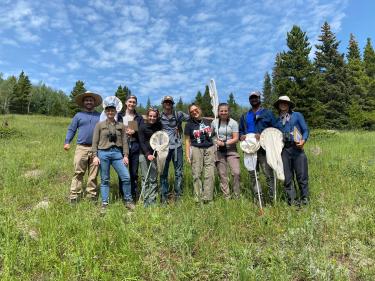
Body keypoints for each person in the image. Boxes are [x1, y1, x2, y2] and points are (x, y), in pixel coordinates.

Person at [92, 102, 134, 211]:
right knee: (105, 179)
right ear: (105, 112)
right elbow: (95, 141)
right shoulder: (99, 125)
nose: (110, 112)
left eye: (112, 110)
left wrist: (125, 155)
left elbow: (125, 141)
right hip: (103, 153)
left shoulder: (121, 126)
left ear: (116, 112)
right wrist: (95, 156)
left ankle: (128, 200)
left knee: (126, 177)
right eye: (108, 110)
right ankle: (104, 203)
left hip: (117, 153)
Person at [64, 91, 102, 203]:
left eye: (91, 100)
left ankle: (92, 195)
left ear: (94, 102)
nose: (89, 102)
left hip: (96, 149)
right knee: (78, 172)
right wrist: (67, 141)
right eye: (87, 100)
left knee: (93, 174)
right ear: (84, 102)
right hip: (81, 148)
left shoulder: (100, 116)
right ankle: (74, 196)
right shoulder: (78, 115)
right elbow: (72, 129)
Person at [239, 91, 276, 205]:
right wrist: (242, 136)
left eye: (256, 97)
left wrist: (263, 135)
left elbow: (274, 130)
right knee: (253, 175)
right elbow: (241, 131)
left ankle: (272, 199)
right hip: (249, 149)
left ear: (260, 98)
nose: (254, 99)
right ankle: (259, 200)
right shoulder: (245, 116)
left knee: (268, 174)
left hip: (263, 149)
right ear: (249, 100)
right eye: (252, 98)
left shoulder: (268, 113)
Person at [274, 96, 309, 206]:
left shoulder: (297, 115)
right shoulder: (276, 121)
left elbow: (306, 130)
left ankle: (305, 200)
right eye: (281, 103)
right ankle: (292, 201)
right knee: (287, 178)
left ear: (289, 105)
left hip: (297, 149)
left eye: (285, 103)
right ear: (278, 105)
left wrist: (303, 140)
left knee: (302, 176)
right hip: (284, 150)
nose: (283, 104)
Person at [160, 96, 189, 203]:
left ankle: (178, 197)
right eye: (166, 102)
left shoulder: (179, 114)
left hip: (177, 147)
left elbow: (194, 118)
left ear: (172, 104)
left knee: (179, 172)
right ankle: (164, 197)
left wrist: (213, 119)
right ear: (163, 104)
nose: (168, 104)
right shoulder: (159, 116)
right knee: (163, 173)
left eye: (170, 102)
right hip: (164, 148)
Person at [185, 104, 215, 203]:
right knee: (196, 174)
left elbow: (214, 135)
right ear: (190, 113)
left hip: (209, 148)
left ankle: (207, 197)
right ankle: (198, 198)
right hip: (196, 148)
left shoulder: (208, 122)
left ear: (200, 109)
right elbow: (187, 140)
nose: (194, 112)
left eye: (196, 109)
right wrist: (187, 154)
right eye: (191, 111)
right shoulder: (189, 124)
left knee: (209, 174)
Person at [211, 103, 241, 199]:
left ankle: (236, 195)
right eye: (221, 111)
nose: (223, 112)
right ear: (218, 112)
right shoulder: (214, 122)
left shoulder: (233, 123)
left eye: (225, 111)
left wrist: (224, 143)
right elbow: (211, 135)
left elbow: (236, 138)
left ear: (228, 112)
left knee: (236, 172)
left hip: (231, 150)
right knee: (222, 174)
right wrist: (215, 141)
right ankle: (226, 196)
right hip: (219, 150)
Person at [118, 95, 144, 202]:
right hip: (121, 147)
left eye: (134, 102)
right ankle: (122, 195)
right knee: (122, 172)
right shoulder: (119, 116)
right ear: (126, 103)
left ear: (136, 104)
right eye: (130, 101)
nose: (131, 104)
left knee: (133, 173)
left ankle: (133, 194)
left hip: (135, 146)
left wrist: (135, 131)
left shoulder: (138, 117)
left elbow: (143, 131)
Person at [138, 107, 163, 207]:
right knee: (145, 178)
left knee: (153, 178)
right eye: (150, 116)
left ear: (157, 117)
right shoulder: (142, 127)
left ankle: (152, 199)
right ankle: (145, 199)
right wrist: (147, 154)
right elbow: (142, 142)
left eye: (154, 116)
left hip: (155, 155)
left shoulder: (159, 127)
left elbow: (161, 139)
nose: (152, 118)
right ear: (147, 116)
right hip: (144, 155)